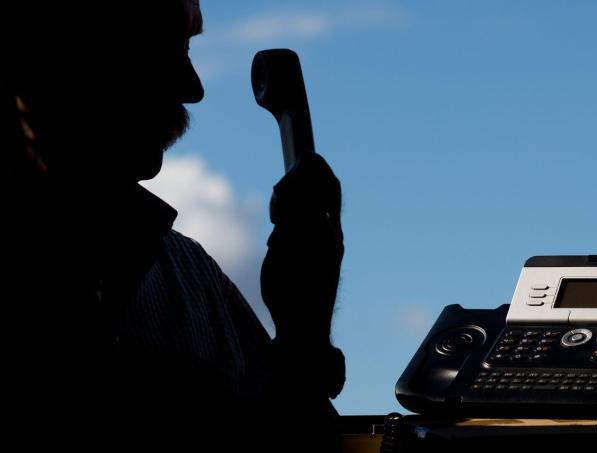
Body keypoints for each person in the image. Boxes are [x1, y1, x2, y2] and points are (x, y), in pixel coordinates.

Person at [1, 0, 345, 447]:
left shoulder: (191, 276)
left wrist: (303, 335)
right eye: (156, 46)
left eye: (186, 48)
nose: (192, 87)